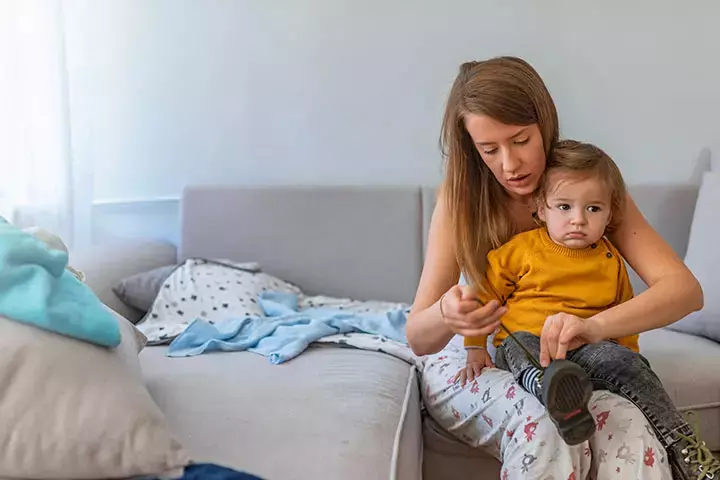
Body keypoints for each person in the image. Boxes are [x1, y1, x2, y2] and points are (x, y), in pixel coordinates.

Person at [407, 56, 708, 480]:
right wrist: (446, 314)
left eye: (521, 140)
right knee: (546, 423)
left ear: (545, 122)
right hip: (479, 356)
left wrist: (594, 327)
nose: (509, 164)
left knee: (629, 425)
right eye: (489, 149)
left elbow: (684, 291)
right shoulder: (461, 200)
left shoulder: (583, 189)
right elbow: (418, 338)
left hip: (571, 356)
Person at [453, 140, 719, 477]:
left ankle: (690, 459)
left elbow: (623, 317)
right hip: (530, 343)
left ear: (610, 213)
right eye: (564, 207)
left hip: (588, 347)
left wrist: (626, 358)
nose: (578, 220)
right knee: (521, 344)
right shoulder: (520, 251)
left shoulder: (610, 260)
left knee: (627, 364)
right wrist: (475, 347)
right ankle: (554, 394)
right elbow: (483, 299)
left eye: (593, 209)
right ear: (541, 208)